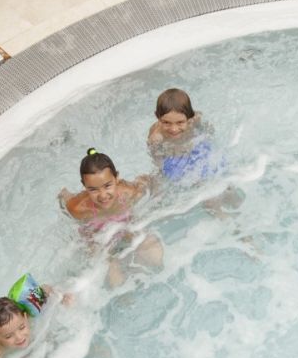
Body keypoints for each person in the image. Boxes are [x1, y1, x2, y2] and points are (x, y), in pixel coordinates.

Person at [58, 148, 163, 287]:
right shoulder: (79, 208)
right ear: (84, 186)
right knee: (115, 281)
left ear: (117, 178)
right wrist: (63, 195)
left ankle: (154, 281)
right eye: (93, 189)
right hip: (99, 240)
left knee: (155, 257)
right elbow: (64, 197)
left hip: (125, 229)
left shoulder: (128, 193)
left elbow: (147, 181)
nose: (102, 195)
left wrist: (157, 197)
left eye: (107, 186)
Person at [147, 88, 223, 184]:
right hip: (174, 158)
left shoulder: (195, 119)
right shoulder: (156, 137)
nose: (174, 129)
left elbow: (208, 132)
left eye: (180, 122)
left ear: (189, 118)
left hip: (195, 147)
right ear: (157, 116)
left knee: (217, 170)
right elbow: (158, 162)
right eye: (166, 122)